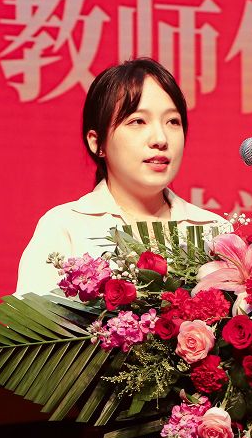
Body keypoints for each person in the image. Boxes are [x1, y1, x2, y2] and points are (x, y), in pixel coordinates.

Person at [15, 58, 229, 296]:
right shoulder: (65, 227)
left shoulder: (216, 231)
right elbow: (29, 319)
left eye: (172, 121)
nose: (160, 139)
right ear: (97, 142)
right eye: (138, 121)